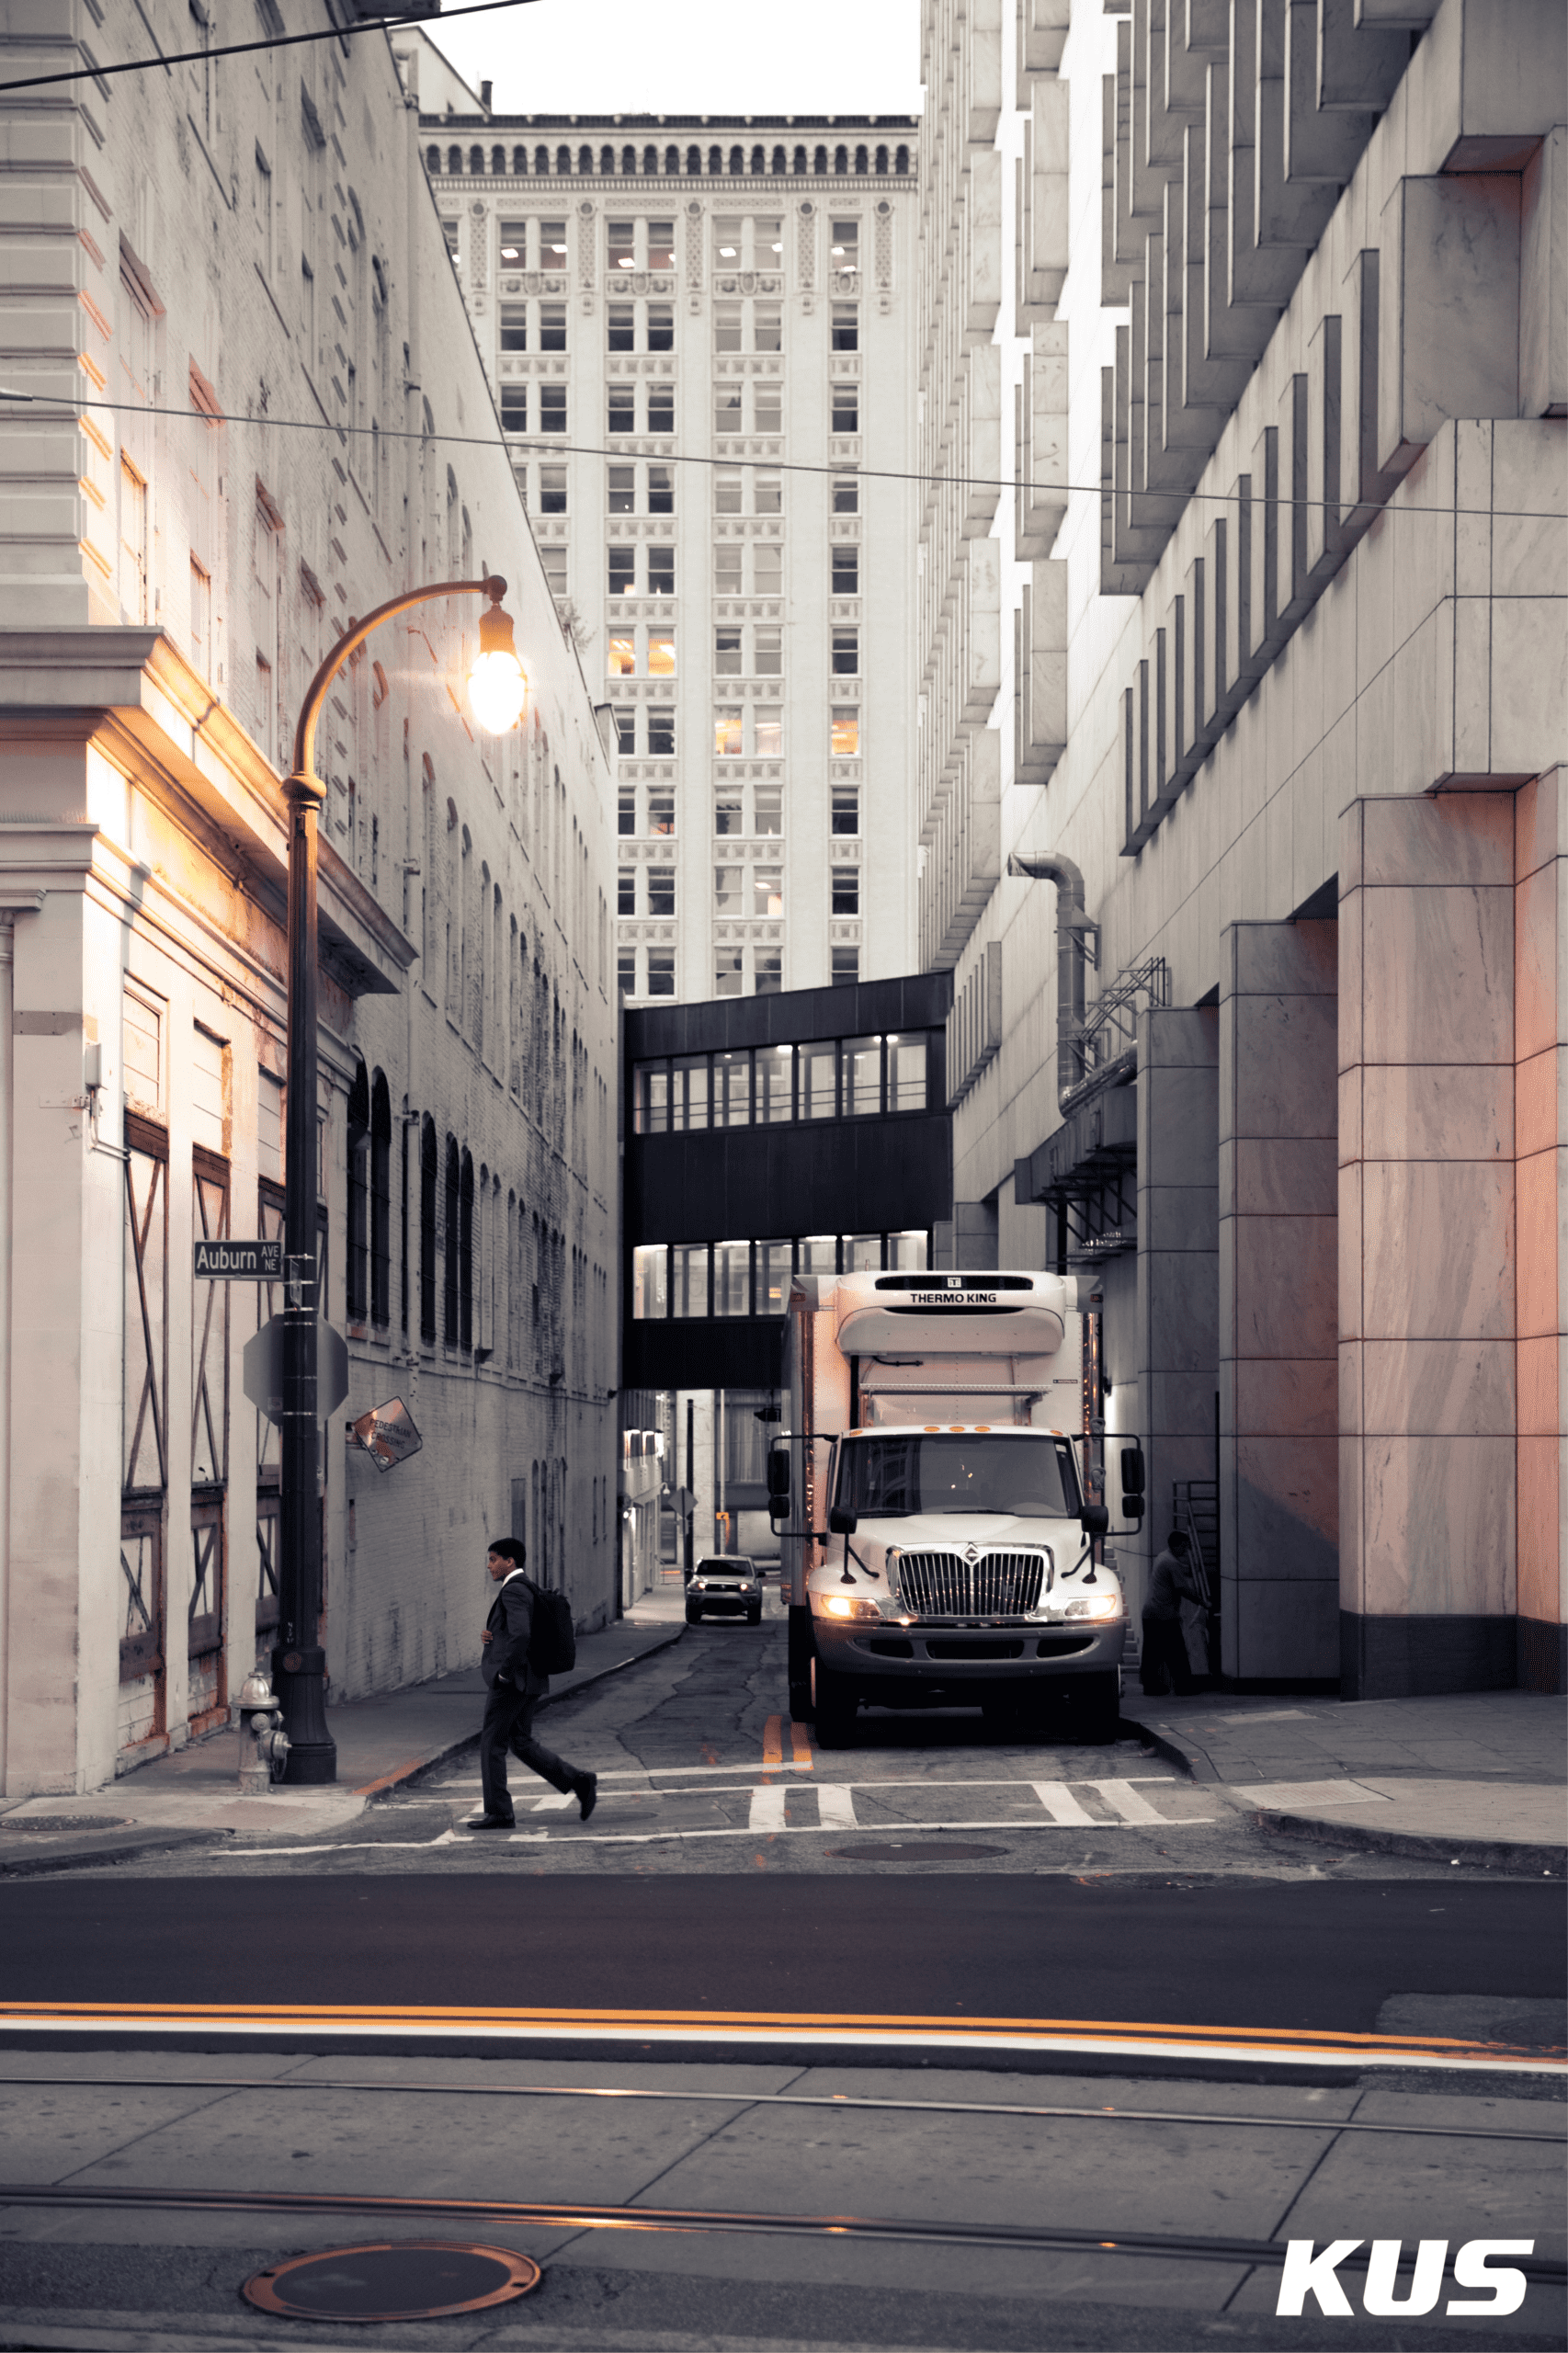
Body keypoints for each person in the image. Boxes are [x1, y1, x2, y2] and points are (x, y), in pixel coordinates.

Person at [465, 1538, 597, 1829]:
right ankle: (578, 1781)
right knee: (521, 1742)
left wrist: (504, 1674)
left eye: (493, 1559)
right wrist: (493, 1636)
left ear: (509, 1561)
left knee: (491, 1743)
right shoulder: (527, 1587)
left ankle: (500, 1812)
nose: (489, 1566)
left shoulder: (513, 1591)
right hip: (532, 1679)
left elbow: (522, 1634)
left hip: (514, 1681)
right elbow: (520, 1630)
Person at [1140, 1529, 1204, 1697]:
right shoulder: (1172, 1563)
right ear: (1176, 1546)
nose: (1186, 1550)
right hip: (1164, 1614)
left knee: (1152, 1653)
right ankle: (1184, 1686)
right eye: (1184, 1546)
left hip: (1151, 1612)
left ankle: (1150, 1686)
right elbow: (1182, 1588)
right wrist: (1201, 1601)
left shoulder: (1162, 1556)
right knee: (1177, 1652)